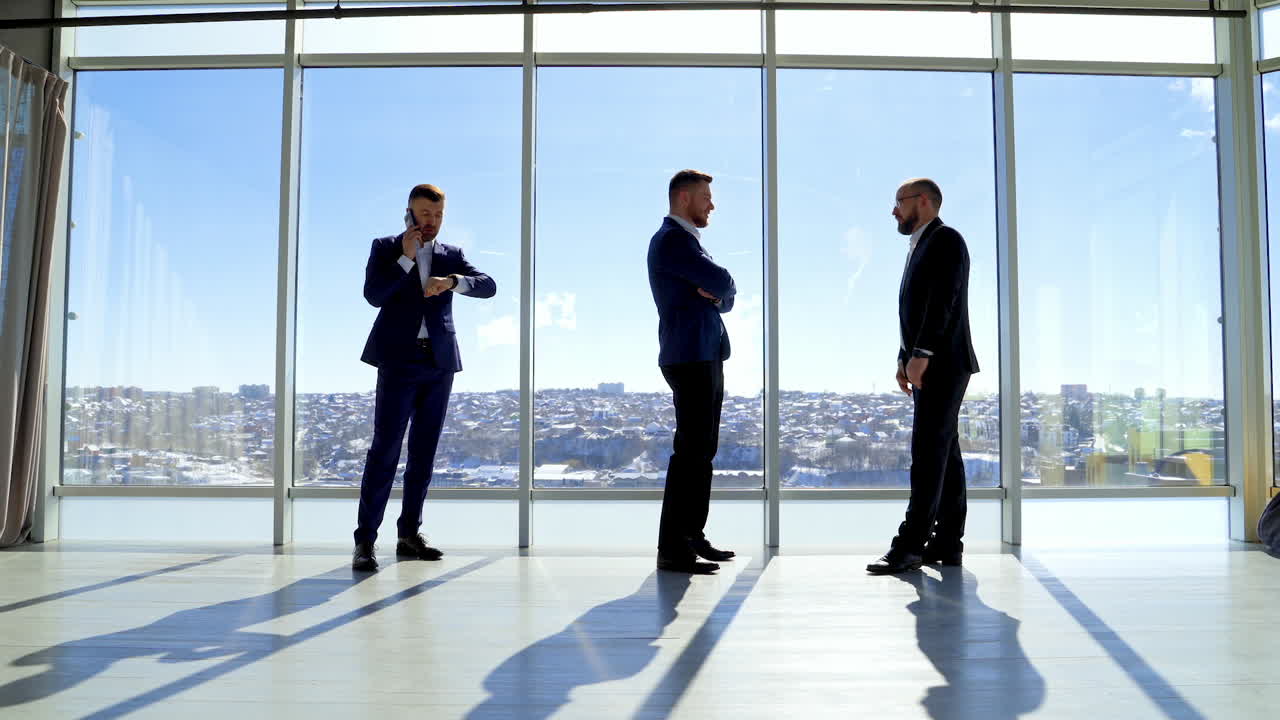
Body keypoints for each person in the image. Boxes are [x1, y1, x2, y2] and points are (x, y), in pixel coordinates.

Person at [352, 183, 496, 571]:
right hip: (398, 361)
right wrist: (405, 257)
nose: (431, 222)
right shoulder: (385, 247)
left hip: (439, 363)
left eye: (437, 216)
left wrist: (452, 282)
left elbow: (489, 286)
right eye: (424, 215)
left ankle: (409, 535)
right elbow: (374, 295)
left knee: (424, 454)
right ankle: (365, 541)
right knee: (384, 451)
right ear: (409, 214)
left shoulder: (452, 255)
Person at [867, 178, 979, 575]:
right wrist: (904, 357)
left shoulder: (946, 239)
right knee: (944, 450)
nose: (894, 210)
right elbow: (913, 311)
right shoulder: (920, 245)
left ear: (925, 202)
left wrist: (922, 355)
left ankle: (910, 546)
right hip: (930, 361)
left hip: (943, 362)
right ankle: (948, 543)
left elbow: (943, 302)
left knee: (928, 452)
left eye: (900, 202)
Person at [646, 169, 738, 575]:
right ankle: (674, 549)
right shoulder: (672, 241)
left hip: (703, 353)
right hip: (689, 356)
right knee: (691, 453)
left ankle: (692, 536)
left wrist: (718, 295)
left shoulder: (686, 244)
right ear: (684, 198)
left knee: (702, 452)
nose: (712, 205)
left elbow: (725, 297)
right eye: (706, 197)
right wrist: (718, 289)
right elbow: (723, 280)